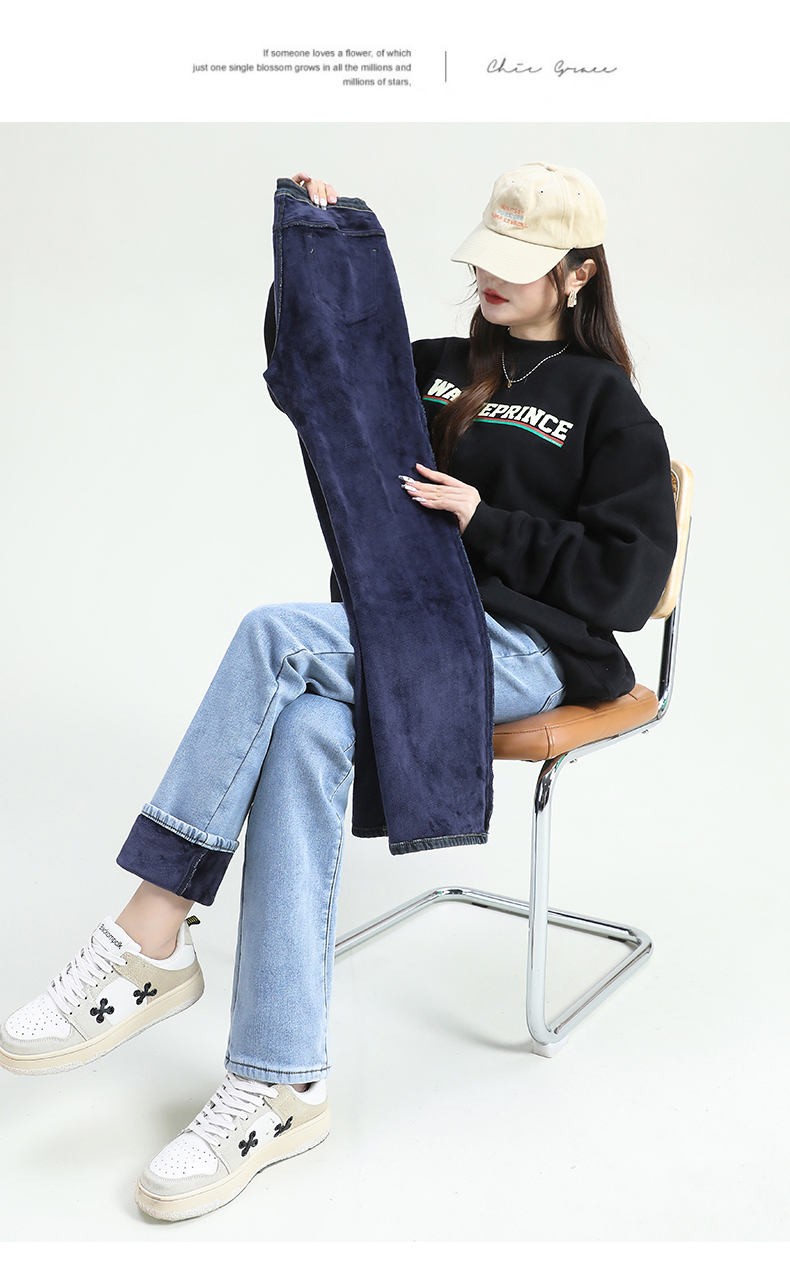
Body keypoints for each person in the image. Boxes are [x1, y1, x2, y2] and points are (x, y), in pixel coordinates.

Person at [0, 163, 677, 1221]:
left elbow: (628, 587)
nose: (490, 279)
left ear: (579, 274)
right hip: (408, 624)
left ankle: (150, 929)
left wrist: (485, 518)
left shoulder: (608, 406)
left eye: (520, 265)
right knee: (310, 727)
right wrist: (313, 250)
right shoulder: (440, 367)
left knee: (274, 637)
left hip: (524, 651)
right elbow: (307, 375)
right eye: (486, 257)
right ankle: (280, 1084)